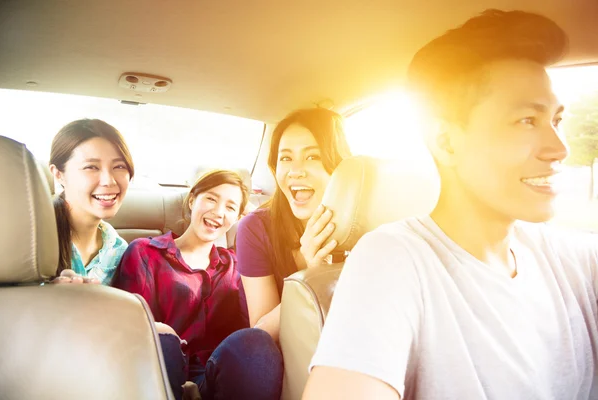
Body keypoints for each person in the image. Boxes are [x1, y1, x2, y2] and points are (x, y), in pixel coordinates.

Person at [304, 9, 598, 400]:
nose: (559, 149)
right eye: (527, 120)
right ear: (446, 142)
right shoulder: (392, 259)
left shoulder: (573, 259)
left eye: (556, 121)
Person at [112, 170, 283, 400]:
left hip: (214, 376)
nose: (218, 212)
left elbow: (251, 327)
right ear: (192, 200)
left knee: (257, 343)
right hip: (161, 370)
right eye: (211, 199)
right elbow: (134, 328)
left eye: (231, 208)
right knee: (160, 341)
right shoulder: (145, 252)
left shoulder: (235, 266)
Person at [236, 108, 351, 342]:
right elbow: (259, 336)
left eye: (312, 156)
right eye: (286, 158)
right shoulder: (255, 228)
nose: (295, 172)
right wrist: (309, 274)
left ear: (339, 167)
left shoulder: (362, 230)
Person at [49, 118, 134, 285]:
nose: (108, 181)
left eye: (119, 166)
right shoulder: (32, 240)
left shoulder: (118, 250)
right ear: (59, 174)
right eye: (91, 167)